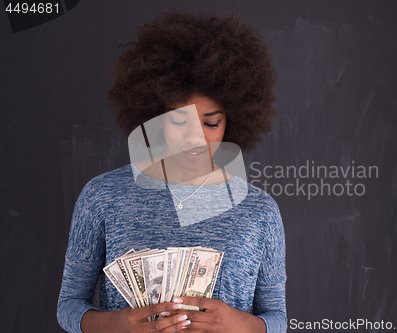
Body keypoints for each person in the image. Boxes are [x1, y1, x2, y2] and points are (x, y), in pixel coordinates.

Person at [57, 7, 287, 333]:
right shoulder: (102, 196)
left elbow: (277, 318)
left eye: (210, 122)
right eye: (179, 121)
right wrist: (119, 324)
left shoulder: (260, 211)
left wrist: (244, 325)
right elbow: (69, 306)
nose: (195, 137)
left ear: (233, 121)